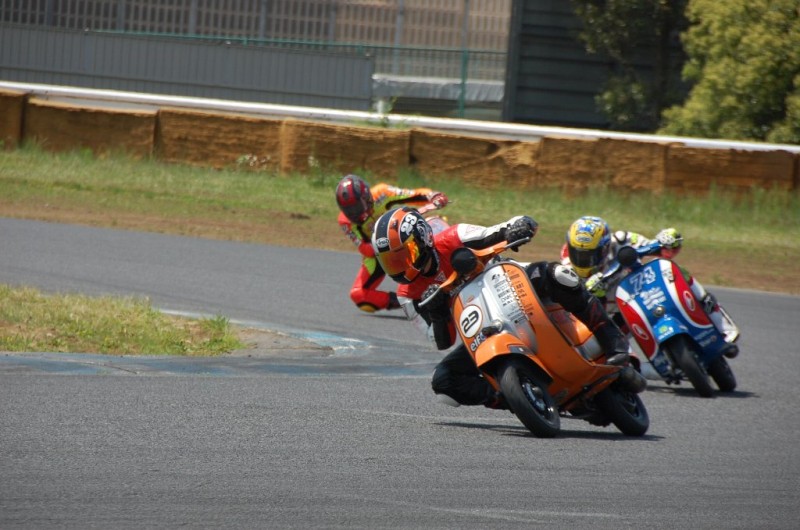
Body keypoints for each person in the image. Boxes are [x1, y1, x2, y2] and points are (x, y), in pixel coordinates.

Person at [371, 207, 632, 409]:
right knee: (444, 381)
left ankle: (613, 341)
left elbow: (495, 231)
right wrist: (439, 316)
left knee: (560, 275)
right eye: (390, 261)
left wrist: (518, 227)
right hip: (481, 329)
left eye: (404, 255)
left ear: (423, 238)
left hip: (509, 284)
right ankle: (509, 396)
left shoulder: (453, 237)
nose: (400, 267)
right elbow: (439, 341)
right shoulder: (407, 295)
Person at [561, 215, 739, 354]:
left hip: (638, 289)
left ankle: (723, 326)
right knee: (604, 344)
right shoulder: (566, 266)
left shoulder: (622, 240)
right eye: (579, 253)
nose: (584, 260)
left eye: (591, 254)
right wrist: (591, 291)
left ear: (606, 246)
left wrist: (668, 238)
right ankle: (628, 366)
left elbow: (658, 248)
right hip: (612, 311)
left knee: (676, 272)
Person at [335, 174, 448, 313]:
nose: (353, 214)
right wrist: (382, 245)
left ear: (366, 197)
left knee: (427, 242)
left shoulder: (381, 193)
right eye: (348, 210)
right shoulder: (344, 221)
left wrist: (432, 196)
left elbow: (413, 194)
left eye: (357, 207)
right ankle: (408, 302)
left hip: (400, 240)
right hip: (375, 254)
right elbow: (364, 249)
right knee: (358, 294)